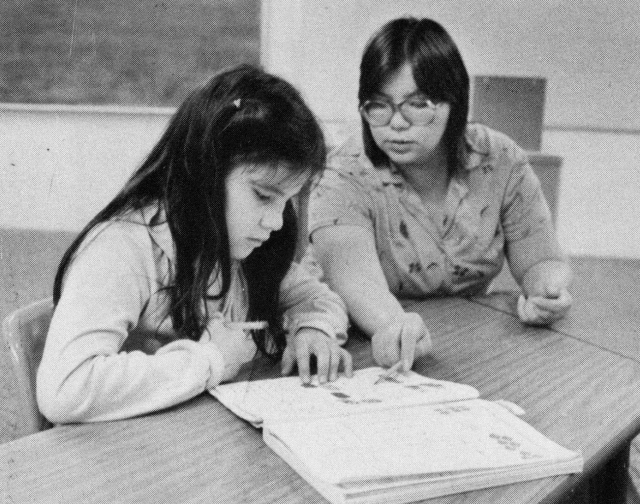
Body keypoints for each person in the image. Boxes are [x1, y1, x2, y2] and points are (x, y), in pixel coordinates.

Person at [36, 64, 352, 424]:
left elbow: (315, 297)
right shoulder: (122, 248)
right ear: (205, 171)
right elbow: (65, 390)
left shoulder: (240, 244)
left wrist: (313, 328)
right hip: (115, 462)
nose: (277, 221)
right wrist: (211, 359)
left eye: (287, 201)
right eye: (264, 196)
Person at [306, 17, 572, 372]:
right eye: (379, 105)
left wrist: (545, 292)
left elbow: (540, 259)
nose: (396, 123)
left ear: (454, 103)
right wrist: (395, 326)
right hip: (364, 347)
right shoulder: (344, 175)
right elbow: (357, 284)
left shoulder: (500, 159)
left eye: (417, 104)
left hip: (465, 344)